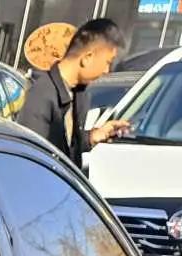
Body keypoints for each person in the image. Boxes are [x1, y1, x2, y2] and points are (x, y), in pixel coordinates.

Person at [19, 17, 130, 167]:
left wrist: (91, 137)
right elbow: (31, 157)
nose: (106, 71)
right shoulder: (42, 95)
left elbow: (66, 145)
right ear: (87, 57)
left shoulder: (79, 94)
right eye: (107, 63)